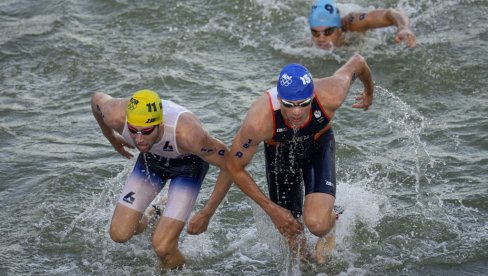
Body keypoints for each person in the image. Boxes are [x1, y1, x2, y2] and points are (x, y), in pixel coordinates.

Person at [226, 53, 374, 264]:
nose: (296, 112)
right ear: (279, 99)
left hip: (318, 144)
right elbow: (234, 166)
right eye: (289, 104)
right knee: (293, 238)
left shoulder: (331, 93)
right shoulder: (259, 120)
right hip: (280, 153)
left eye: (303, 104)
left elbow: (358, 62)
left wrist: (369, 91)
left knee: (318, 225)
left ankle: (334, 217)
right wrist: (272, 210)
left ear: (313, 97)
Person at [91, 89, 232, 270]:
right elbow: (96, 98)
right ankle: (156, 212)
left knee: (163, 248)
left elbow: (230, 164)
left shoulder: (189, 135)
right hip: (152, 159)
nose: (139, 139)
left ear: (160, 124)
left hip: (188, 167)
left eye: (146, 131)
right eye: (133, 131)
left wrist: (207, 212)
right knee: (119, 234)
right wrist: (111, 137)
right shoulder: (115, 115)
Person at [308, 0, 416, 49]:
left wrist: (403, 28)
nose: (321, 38)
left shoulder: (354, 23)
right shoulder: (309, 46)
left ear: (339, 28)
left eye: (328, 32)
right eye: (315, 33)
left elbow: (391, 13)